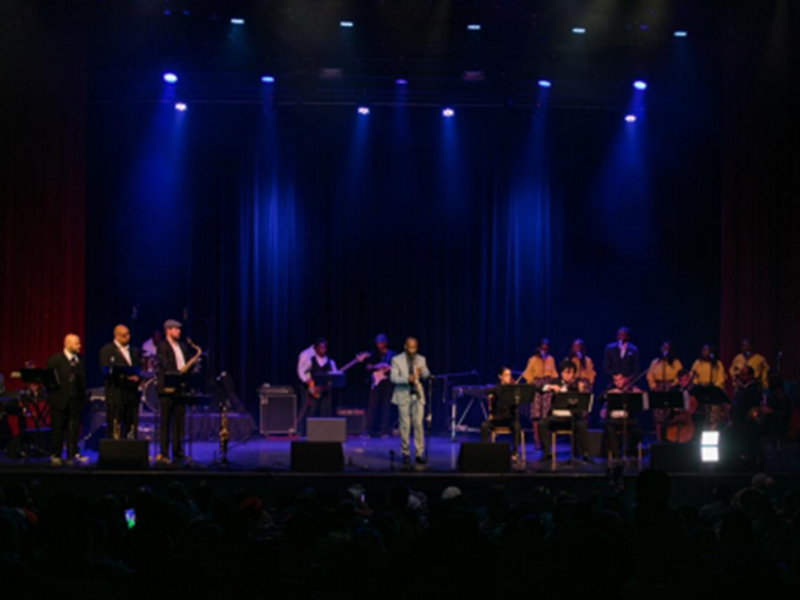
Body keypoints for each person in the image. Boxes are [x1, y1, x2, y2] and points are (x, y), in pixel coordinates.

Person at [156, 319, 194, 464]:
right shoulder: (162, 346)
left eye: (179, 329)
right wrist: (178, 373)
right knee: (166, 421)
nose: (179, 331)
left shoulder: (182, 346)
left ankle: (178, 452)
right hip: (167, 388)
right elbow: (166, 364)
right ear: (168, 330)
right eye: (176, 329)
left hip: (180, 388)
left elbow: (187, 362)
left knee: (179, 422)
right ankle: (164, 453)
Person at [45, 334, 87, 465]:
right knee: (58, 429)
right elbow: (49, 381)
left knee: (73, 428)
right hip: (59, 401)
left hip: (75, 401)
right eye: (76, 343)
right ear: (68, 344)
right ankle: (56, 454)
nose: (79, 346)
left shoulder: (80, 360)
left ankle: (72, 454)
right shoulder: (55, 360)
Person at [538, 360, 591, 462]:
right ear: (561, 373)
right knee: (542, 423)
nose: (569, 375)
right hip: (556, 418)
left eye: (571, 373)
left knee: (582, 425)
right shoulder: (555, 382)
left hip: (571, 418)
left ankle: (585, 454)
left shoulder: (576, 384)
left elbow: (583, 402)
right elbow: (539, 388)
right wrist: (551, 387)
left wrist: (581, 391)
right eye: (566, 372)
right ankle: (546, 453)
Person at [391, 337, 430, 467]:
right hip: (403, 394)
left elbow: (426, 374)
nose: (413, 350)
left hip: (417, 395)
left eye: (415, 347)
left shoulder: (421, 359)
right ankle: (405, 453)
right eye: (411, 347)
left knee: (418, 424)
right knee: (405, 425)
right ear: (405, 347)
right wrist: (407, 379)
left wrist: (422, 371)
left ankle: (419, 454)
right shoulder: (396, 359)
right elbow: (393, 378)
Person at [99, 324, 142, 439]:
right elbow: (106, 371)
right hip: (116, 393)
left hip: (131, 393)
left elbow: (139, 368)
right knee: (115, 423)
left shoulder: (134, 351)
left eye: (128, 334)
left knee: (130, 423)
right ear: (117, 336)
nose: (128, 337)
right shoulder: (107, 350)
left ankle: (130, 445)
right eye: (124, 335)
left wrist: (138, 377)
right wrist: (125, 376)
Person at [480, 367, 521, 461]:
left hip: (510, 419)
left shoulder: (513, 389)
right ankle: (484, 451)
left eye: (510, 375)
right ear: (500, 377)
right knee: (484, 426)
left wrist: (516, 391)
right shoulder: (496, 388)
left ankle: (514, 453)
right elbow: (486, 391)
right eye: (506, 375)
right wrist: (491, 394)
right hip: (497, 419)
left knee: (517, 426)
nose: (509, 377)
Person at [602, 373, 643, 461]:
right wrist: (608, 394)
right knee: (609, 428)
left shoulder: (630, 390)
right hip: (613, 419)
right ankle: (616, 455)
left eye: (620, 379)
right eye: (616, 380)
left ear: (624, 379)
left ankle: (630, 450)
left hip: (627, 419)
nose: (618, 382)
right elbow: (600, 398)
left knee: (638, 431)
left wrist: (638, 395)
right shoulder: (610, 390)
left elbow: (641, 403)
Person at [297, 338, 338, 422]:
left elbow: (335, 374)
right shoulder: (311, 361)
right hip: (314, 390)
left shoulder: (330, 362)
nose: (323, 349)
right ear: (316, 349)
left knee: (325, 411)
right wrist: (306, 380)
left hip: (325, 390)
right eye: (321, 347)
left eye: (324, 347)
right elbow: (301, 371)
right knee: (312, 410)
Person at [727, 366, 762, 462]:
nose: (741, 377)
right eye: (740, 374)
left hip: (746, 423)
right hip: (739, 420)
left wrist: (733, 420)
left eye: (743, 374)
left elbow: (744, 407)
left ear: (750, 376)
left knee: (729, 433)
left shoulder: (753, 390)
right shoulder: (741, 389)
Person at [365, 334, 395, 438]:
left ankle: (384, 431)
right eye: (377, 343)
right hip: (377, 382)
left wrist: (389, 367)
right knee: (372, 407)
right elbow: (368, 367)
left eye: (381, 343)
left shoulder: (392, 354)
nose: (379, 345)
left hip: (388, 382)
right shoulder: (374, 354)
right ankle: (368, 430)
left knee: (386, 407)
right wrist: (376, 366)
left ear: (385, 343)